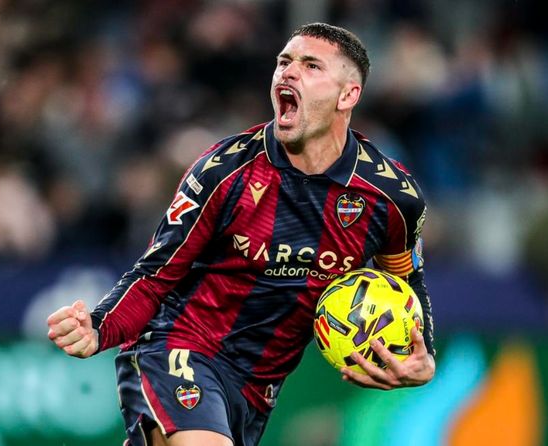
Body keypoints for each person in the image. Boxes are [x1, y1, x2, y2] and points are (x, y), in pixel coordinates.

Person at [47, 23, 436, 446]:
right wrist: (99, 326)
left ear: (347, 96)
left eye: (311, 66)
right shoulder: (225, 171)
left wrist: (423, 354)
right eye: (284, 62)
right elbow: (154, 274)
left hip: (256, 390)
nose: (289, 72)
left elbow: (406, 281)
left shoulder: (392, 198)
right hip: (178, 345)